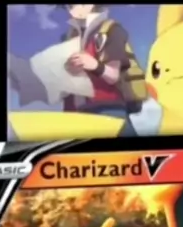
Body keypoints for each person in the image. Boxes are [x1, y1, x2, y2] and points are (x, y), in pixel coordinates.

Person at [60, 4, 146, 136]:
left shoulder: (111, 30)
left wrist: (94, 65)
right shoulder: (68, 37)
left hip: (108, 110)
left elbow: (113, 76)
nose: (74, 8)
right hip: (74, 115)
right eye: (69, 6)